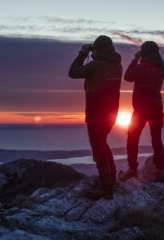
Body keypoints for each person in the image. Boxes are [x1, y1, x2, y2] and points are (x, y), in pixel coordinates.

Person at [69, 35, 122, 200]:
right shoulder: (117, 65)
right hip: (112, 112)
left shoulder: (96, 65)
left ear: (98, 50)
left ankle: (106, 188)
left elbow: (73, 72)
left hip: (96, 112)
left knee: (98, 149)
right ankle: (111, 178)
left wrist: (83, 53)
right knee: (102, 144)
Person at [119, 41, 164, 181]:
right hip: (157, 106)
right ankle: (160, 170)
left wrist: (135, 60)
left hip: (141, 108)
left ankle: (132, 169)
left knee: (132, 137)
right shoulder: (162, 68)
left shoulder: (142, 67)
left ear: (144, 52)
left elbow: (127, 77)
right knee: (156, 139)